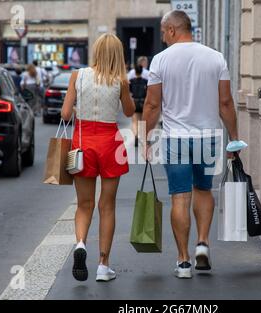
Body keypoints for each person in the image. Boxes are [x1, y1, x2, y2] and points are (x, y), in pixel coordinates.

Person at [142, 10, 239, 279]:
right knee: (204, 190)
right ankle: (203, 244)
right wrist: (234, 137)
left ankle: (183, 261)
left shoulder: (160, 60)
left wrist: (145, 136)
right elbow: (225, 103)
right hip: (208, 137)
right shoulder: (215, 57)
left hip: (176, 139)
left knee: (180, 197)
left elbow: (152, 104)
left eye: (163, 32)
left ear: (172, 30)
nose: (162, 37)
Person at [61, 33, 135, 282]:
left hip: (83, 142)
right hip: (110, 143)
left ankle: (81, 244)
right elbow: (129, 110)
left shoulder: (78, 75)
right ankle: (103, 265)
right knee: (107, 206)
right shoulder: (120, 80)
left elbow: (64, 113)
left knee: (84, 204)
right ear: (118, 55)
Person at [129, 65, 148, 147]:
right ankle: (143, 138)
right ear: (142, 71)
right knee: (142, 121)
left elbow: (129, 93)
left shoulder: (131, 81)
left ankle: (136, 135)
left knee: (134, 121)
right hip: (143, 102)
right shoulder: (145, 81)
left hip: (134, 102)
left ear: (135, 71)